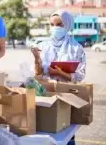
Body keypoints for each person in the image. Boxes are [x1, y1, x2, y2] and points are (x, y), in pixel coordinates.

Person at [31, 10, 86, 145]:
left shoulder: (76, 48)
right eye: (52, 24)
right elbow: (38, 74)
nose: (55, 28)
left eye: (59, 24)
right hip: (46, 94)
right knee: (45, 129)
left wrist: (60, 73)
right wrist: (37, 58)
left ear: (67, 25)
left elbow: (80, 76)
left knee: (66, 133)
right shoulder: (43, 45)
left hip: (67, 96)